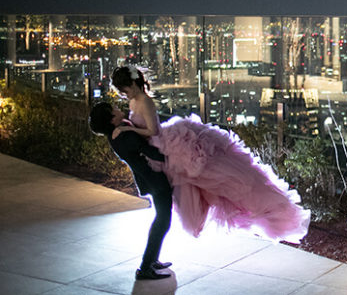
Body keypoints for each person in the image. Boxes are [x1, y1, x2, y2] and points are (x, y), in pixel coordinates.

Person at [110, 65, 310, 242]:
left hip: (165, 143)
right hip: (157, 146)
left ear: (133, 84)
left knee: (217, 179)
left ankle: (272, 211)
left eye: (124, 89)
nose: (123, 94)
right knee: (200, 186)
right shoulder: (134, 101)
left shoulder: (144, 101)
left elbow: (152, 131)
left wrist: (128, 130)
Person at [88, 102, 173, 281]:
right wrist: (176, 154)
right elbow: (153, 153)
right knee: (163, 221)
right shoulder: (124, 138)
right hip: (155, 180)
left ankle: (151, 260)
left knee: (161, 219)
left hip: (149, 179)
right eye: (114, 110)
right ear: (112, 119)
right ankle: (145, 267)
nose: (118, 109)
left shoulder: (117, 133)